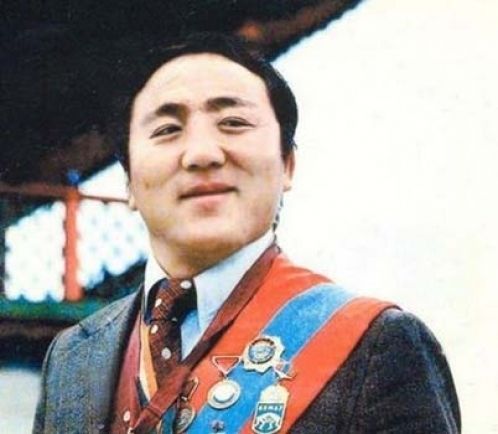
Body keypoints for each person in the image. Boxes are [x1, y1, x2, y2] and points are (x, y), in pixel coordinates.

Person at [33, 32, 460, 434]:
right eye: (166, 130)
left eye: (233, 122)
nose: (202, 153)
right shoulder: (72, 357)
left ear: (287, 164)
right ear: (128, 181)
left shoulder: (376, 342)